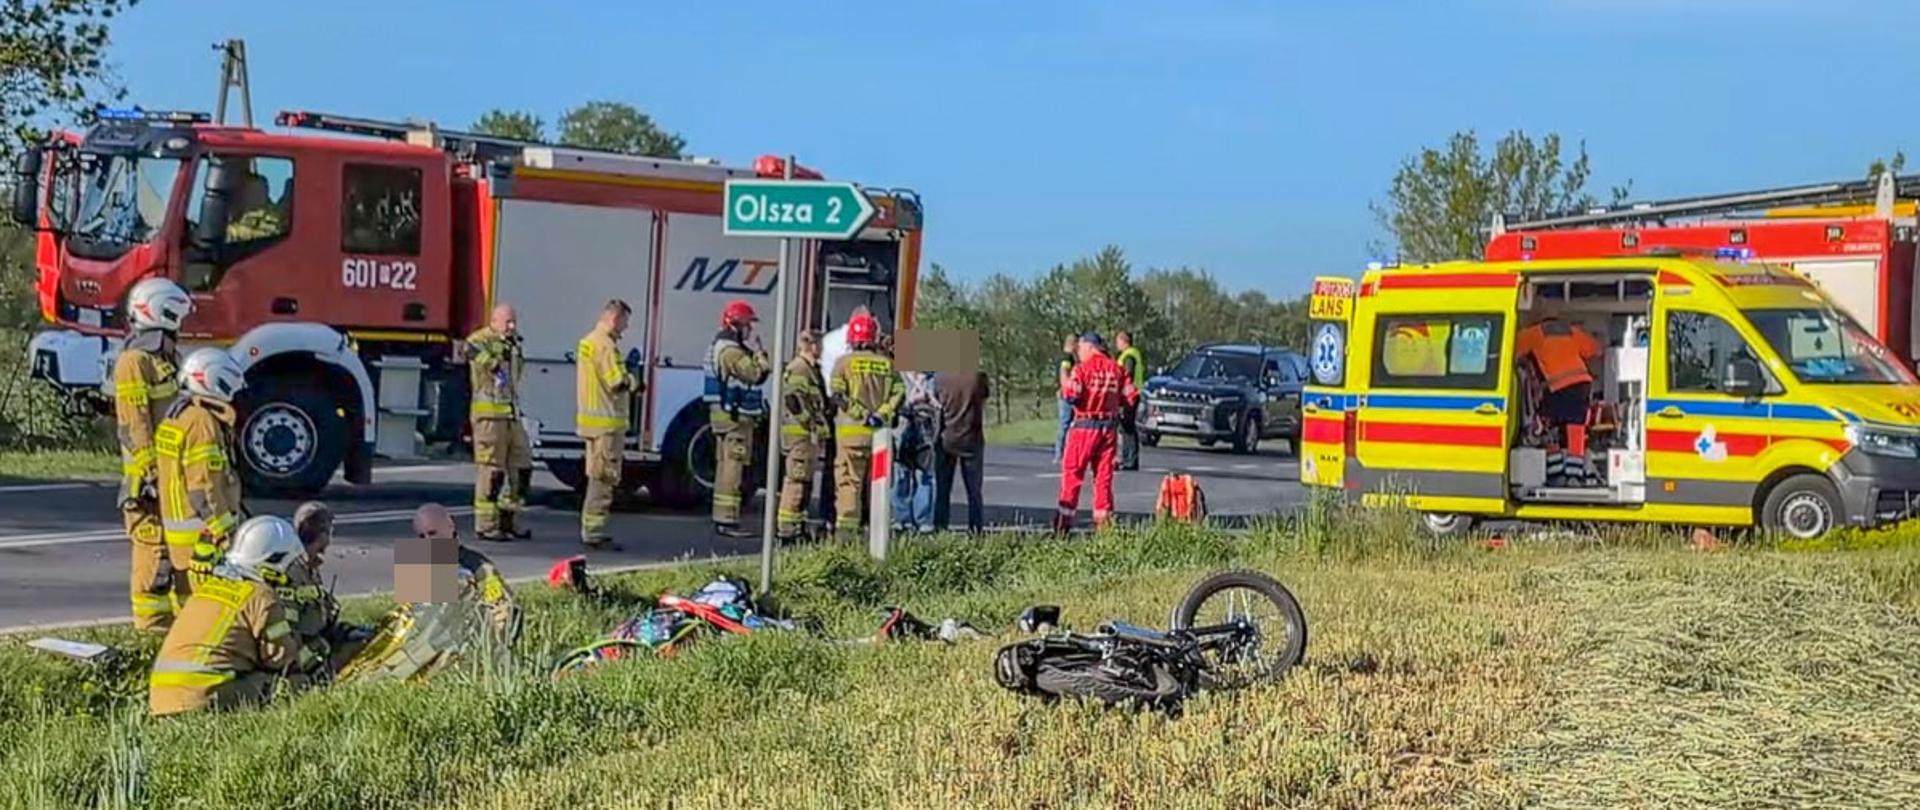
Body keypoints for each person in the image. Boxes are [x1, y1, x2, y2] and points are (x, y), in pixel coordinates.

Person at [149, 515, 305, 717]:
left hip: (161, 701)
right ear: (276, 561)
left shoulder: (209, 586)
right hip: (205, 699)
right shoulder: (261, 596)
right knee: (293, 685)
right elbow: (281, 660)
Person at [114, 278, 193, 632]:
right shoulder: (134, 362)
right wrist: (150, 474)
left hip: (173, 477)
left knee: (180, 555)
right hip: (148, 482)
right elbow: (134, 425)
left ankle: (178, 626)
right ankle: (150, 629)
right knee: (152, 552)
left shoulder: (167, 357)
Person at [157, 348, 248, 596]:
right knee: (210, 601)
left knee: (186, 602)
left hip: (179, 535)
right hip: (200, 535)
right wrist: (225, 532)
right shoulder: (202, 422)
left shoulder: (177, 415)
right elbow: (203, 487)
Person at [829, 311, 904, 540]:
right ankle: (877, 536)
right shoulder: (888, 365)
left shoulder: (843, 364)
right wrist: (880, 415)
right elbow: (899, 393)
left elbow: (838, 396)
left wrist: (861, 414)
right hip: (879, 438)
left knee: (849, 483)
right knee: (878, 485)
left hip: (851, 437)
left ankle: (846, 537)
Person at [1054, 332, 1138, 533]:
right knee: (1103, 479)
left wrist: (1064, 381)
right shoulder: (1117, 370)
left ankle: (1062, 526)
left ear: (1089, 347)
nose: (1079, 353)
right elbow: (1131, 397)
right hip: (1108, 429)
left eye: (1080, 349)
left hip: (1084, 427)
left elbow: (1071, 395)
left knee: (1072, 476)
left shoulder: (1082, 370)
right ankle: (1105, 527)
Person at [705, 299, 772, 537]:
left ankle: (723, 518)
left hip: (727, 417)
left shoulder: (724, 346)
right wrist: (762, 357)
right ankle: (728, 520)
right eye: (747, 325)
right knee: (732, 470)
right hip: (734, 419)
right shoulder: (731, 351)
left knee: (726, 468)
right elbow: (755, 374)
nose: (750, 330)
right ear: (735, 324)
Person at [576, 299, 639, 550]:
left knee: (596, 476)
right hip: (607, 425)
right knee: (603, 480)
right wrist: (633, 377)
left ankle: (592, 531)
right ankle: (594, 533)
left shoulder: (591, 340)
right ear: (615, 318)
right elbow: (616, 382)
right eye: (624, 322)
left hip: (593, 424)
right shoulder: (606, 345)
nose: (625, 328)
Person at [467, 303, 533, 542]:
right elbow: (470, 349)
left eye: (514, 322)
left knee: (522, 465)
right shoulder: (482, 339)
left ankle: (509, 520)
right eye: (507, 322)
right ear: (494, 321)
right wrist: (493, 361)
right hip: (489, 417)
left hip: (510, 414)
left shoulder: (514, 344)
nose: (512, 327)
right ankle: (486, 525)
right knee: (491, 471)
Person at [776, 330, 829, 541]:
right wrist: (811, 422)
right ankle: (787, 530)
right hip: (800, 435)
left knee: (804, 482)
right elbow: (793, 400)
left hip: (805, 437)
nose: (823, 350)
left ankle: (797, 526)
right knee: (796, 482)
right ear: (813, 346)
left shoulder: (809, 369)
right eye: (820, 345)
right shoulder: (799, 368)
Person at [284, 502, 346, 675]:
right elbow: (288, 632)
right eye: (328, 532)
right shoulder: (292, 572)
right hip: (303, 652)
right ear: (322, 534)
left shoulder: (308, 566)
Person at [1516, 316, 1602, 429]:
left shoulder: (1534, 333)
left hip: (1558, 386)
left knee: (1554, 423)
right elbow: (1597, 349)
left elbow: (1511, 348)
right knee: (1575, 424)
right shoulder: (1571, 331)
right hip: (1582, 384)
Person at [934, 369, 991, 535]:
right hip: (971, 436)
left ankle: (940, 527)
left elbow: (936, 402)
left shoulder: (941, 377)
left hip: (946, 436)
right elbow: (984, 398)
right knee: (974, 490)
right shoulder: (978, 376)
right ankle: (976, 528)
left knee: (943, 489)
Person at [892, 369, 939, 534]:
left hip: (926, 435)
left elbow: (942, 406)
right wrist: (909, 403)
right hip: (902, 433)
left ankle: (923, 521)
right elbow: (892, 404)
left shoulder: (933, 379)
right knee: (901, 476)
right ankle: (901, 520)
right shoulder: (898, 376)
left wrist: (931, 402)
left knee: (925, 476)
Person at [1114, 330, 1147, 472]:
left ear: (1123, 341)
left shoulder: (1128, 356)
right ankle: (1128, 459)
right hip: (1131, 393)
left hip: (1129, 395)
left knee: (1128, 428)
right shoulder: (1132, 353)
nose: (1117, 344)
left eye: (1118, 341)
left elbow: (1127, 374)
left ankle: (1130, 460)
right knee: (1127, 427)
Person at [1053, 335, 1078, 463]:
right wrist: (1067, 390)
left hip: (1062, 391)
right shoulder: (1067, 358)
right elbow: (1064, 372)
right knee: (1065, 423)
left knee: (1066, 423)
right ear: (1073, 344)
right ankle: (1060, 454)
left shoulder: (1061, 356)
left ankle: (1063, 452)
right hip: (1065, 393)